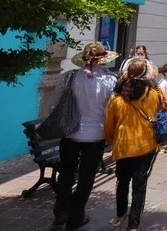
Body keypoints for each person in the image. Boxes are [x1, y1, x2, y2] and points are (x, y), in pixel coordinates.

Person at [51, 43, 118, 229]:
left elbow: (54, 103)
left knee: (65, 173)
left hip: (70, 133)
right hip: (96, 134)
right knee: (87, 176)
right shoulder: (110, 81)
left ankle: (61, 211)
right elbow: (113, 109)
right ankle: (76, 216)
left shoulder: (70, 77)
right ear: (103, 60)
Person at [105, 59, 167, 231]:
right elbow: (165, 111)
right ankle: (133, 224)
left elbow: (109, 125)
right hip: (146, 144)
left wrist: (113, 142)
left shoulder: (117, 98)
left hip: (123, 145)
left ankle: (120, 214)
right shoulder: (153, 93)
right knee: (139, 185)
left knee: (122, 181)